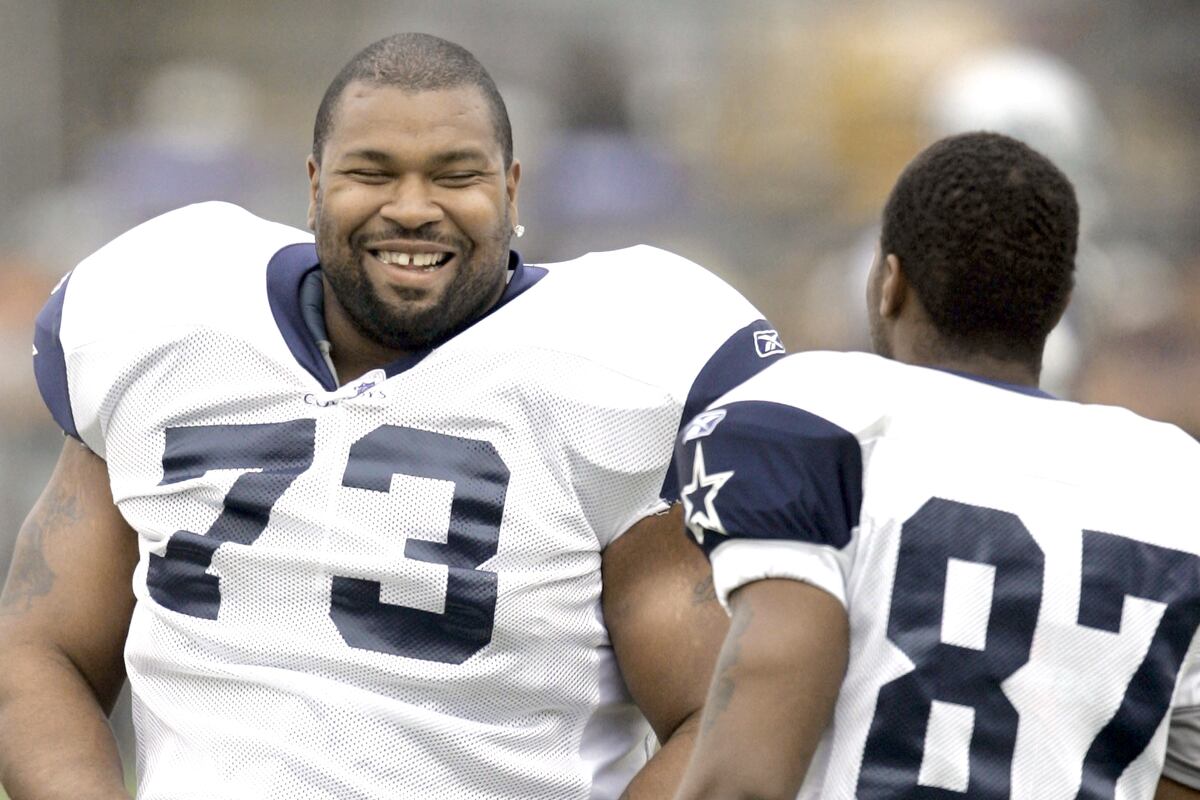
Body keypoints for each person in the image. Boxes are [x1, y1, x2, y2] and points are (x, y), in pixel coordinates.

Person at [0, 33, 785, 799]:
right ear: (313, 187)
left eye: (455, 175)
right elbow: (41, 649)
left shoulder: (609, 377)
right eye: (371, 173)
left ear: (512, 189)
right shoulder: (169, 328)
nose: (412, 209)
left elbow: (721, 723)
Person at [671, 132, 1200, 799]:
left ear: (891, 282)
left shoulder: (820, 419)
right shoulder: (1178, 484)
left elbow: (743, 780)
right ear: (1061, 305)